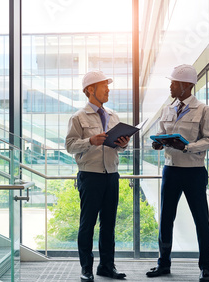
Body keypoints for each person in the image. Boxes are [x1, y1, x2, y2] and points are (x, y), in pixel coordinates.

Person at [146, 64, 209, 281]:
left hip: (194, 172)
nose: (171, 86)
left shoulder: (203, 110)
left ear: (186, 86)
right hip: (171, 170)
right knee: (166, 219)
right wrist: (158, 143)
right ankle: (163, 264)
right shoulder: (167, 109)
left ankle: (206, 267)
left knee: (201, 220)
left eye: (174, 83)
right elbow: (160, 134)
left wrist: (187, 147)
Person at [66, 70, 130, 282]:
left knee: (109, 224)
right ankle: (86, 268)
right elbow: (70, 146)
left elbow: (117, 147)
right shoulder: (78, 117)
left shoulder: (113, 116)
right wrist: (90, 141)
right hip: (90, 176)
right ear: (90, 90)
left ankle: (106, 266)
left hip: (112, 175)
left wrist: (123, 144)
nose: (108, 89)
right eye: (104, 86)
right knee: (87, 224)